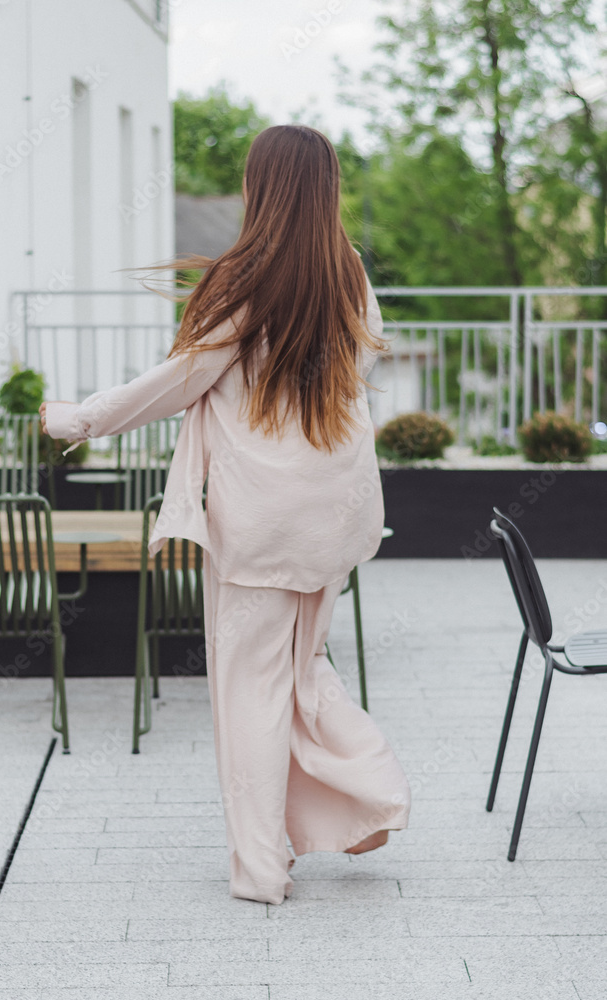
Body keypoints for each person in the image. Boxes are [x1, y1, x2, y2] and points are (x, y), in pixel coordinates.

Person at [41, 124, 411, 906]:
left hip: (261, 522)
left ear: (259, 188)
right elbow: (364, 361)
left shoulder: (245, 280)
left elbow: (177, 380)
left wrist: (79, 419)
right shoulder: (347, 274)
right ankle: (368, 791)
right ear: (327, 188)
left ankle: (261, 866)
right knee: (303, 664)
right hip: (333, 512)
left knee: (248, 686)